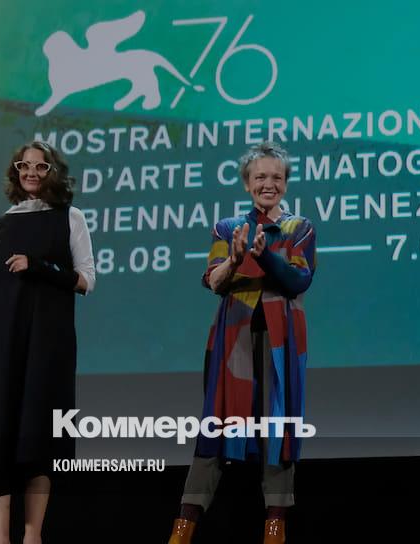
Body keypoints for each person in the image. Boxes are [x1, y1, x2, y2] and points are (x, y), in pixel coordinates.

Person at [0, 141, 95, 544]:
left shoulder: (70, 217)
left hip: (46, 340)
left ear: (52, 172)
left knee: (37, 437)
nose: (30, 172)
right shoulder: (1, 223)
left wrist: (39, 267)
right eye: (24, 165)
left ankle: (32, 536)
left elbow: (86, 280)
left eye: (40, 166)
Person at [167, 141, 316, 544]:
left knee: (278, 432)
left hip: (281, 343)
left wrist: (264, 256)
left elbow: (298, 280)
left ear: (286, 183)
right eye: (260, 177)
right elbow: (214, 281)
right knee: (215, 427)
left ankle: (275, 529)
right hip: (233, 340)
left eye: (277, 177)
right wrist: (234, 260)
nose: (269, 184)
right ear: (247, 183)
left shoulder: (299, 228)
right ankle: (182, 529)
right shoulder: (228, 228)